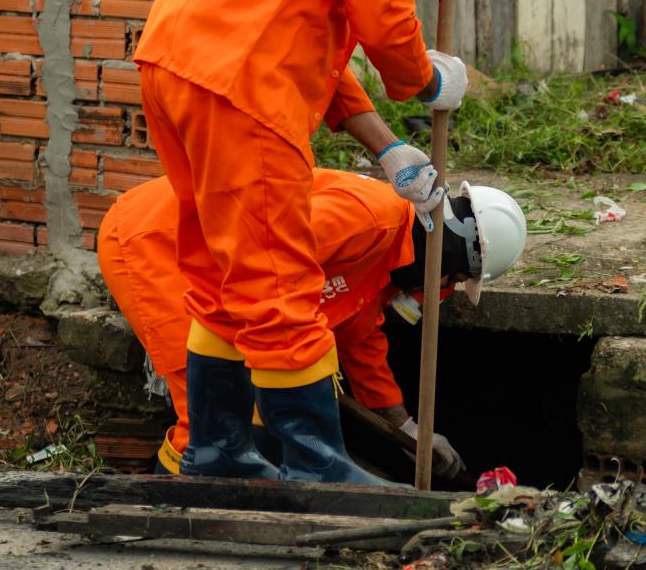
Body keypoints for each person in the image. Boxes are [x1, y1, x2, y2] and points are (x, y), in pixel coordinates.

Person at [130, 0, 484, 483]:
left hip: (177, 69)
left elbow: (312, 39)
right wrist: (426, 78)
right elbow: (383, 18)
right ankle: (317, 466)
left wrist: (385, 145)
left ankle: (219, 450)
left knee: (220, 275)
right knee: (275, 277)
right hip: (243, 89)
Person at [98, 166, 526, 480]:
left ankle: (237, 514)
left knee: (253, 415)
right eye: (454, 280)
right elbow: (267, 254)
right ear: (454, 253)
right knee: (211, 412)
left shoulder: (388, 267)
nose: (445, 291)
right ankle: (165, 517)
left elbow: (360, 341)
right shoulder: (372, 219)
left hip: (223, 262)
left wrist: (408, 428)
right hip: (159, 238)